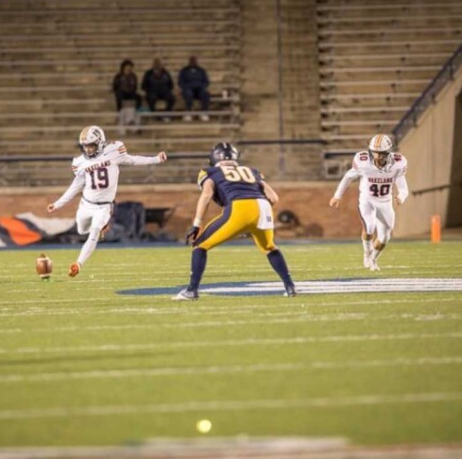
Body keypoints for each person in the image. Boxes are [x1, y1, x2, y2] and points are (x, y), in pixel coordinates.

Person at [173, 142, 296, 300]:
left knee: (199, 245)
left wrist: (197, 224)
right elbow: (274, 198)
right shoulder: (251, 171)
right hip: (263, 206)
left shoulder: (210, 172)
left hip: (239, 207)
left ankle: (191, 291)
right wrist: (254, 220)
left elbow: (206, 196)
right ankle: (290, 286)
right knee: (269, 247)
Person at [47, 126, 167, 277]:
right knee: (81, 230)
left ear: (101, 142)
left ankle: (78, 264)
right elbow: (76, 186)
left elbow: (133, 160)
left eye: (92, 146)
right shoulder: (80, 162)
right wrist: (57, 203)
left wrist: (156, 159)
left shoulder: (114, 151)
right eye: (86, 146)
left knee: (94, 232)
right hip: (86, 204)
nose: (89, 150)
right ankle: (101, 225)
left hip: (104, 206)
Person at [329, 134, 409, 271]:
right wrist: (337, 196)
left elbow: (403, 188)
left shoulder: (398, 164)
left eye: (381, 153)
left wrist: (401, 197)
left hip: (385, 201)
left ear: (389, 152)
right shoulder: (363, 161)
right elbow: (348, 176)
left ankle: (373, 259)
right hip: (367, 199)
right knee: (370, 226)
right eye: (375, 152)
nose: (377, 156)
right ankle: (367, 253)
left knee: (385, 238)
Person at [178, 56, 210, 122]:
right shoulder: (184, 71)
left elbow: (206, 82)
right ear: (189, 62)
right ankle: (188, 112)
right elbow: (180, 82)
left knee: (205, 94)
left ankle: (204, 113)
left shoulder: (201, 70)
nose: (193, 62)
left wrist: (202, 87)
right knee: (188, 93)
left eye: (195, 61)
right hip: (188, 88)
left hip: (199, 89)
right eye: (192, 61)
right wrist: (186, 87)